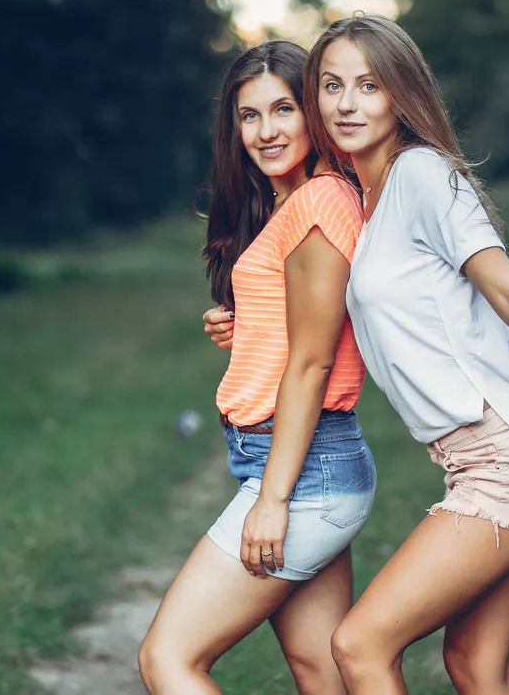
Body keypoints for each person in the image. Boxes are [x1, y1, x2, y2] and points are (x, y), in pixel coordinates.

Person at [305, 14, 509, 695]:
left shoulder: (421, 175)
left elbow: (507, 288)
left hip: (508, 455)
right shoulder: (366, 197)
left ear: (402, 95)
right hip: (486, 457)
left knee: (360, 645)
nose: (347, 104)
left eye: (369, 85)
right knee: (474, 662)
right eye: (332, 85)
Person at [139, 40, 376, 695]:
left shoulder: (319, 203)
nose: (266, 130)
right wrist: (244, 325)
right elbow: (306, 325)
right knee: (319, 668)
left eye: (283, 109)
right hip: (304, 464)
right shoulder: (293, 205)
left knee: (168, 659)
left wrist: (273, 500)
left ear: (313, 112)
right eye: (249, 116)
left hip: (302, 472)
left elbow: (313, 361)